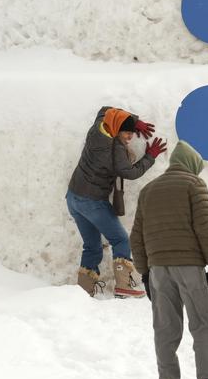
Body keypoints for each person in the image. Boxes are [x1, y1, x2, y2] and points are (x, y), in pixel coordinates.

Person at [131, 140, 208, 379]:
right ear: (193, 166)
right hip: (189, 265)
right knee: (205, 326)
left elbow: (137, 235)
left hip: (159, 268)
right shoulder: (194, 186)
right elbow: (204, 227)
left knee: (165, 330)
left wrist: (145, 271)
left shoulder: (148, 190)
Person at [66, 106, 166, 298]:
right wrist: (150, 156)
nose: (130, 137)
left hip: (73, 198)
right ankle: (123, 285)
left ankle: (83, 292)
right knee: (120, 239)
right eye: (127, 133)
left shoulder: (98, 127)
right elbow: (129, 172)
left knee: (92, 245)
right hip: (92, 202)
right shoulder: (115, 149)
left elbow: (106, 109)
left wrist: (134, 121)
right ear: (117, 129)